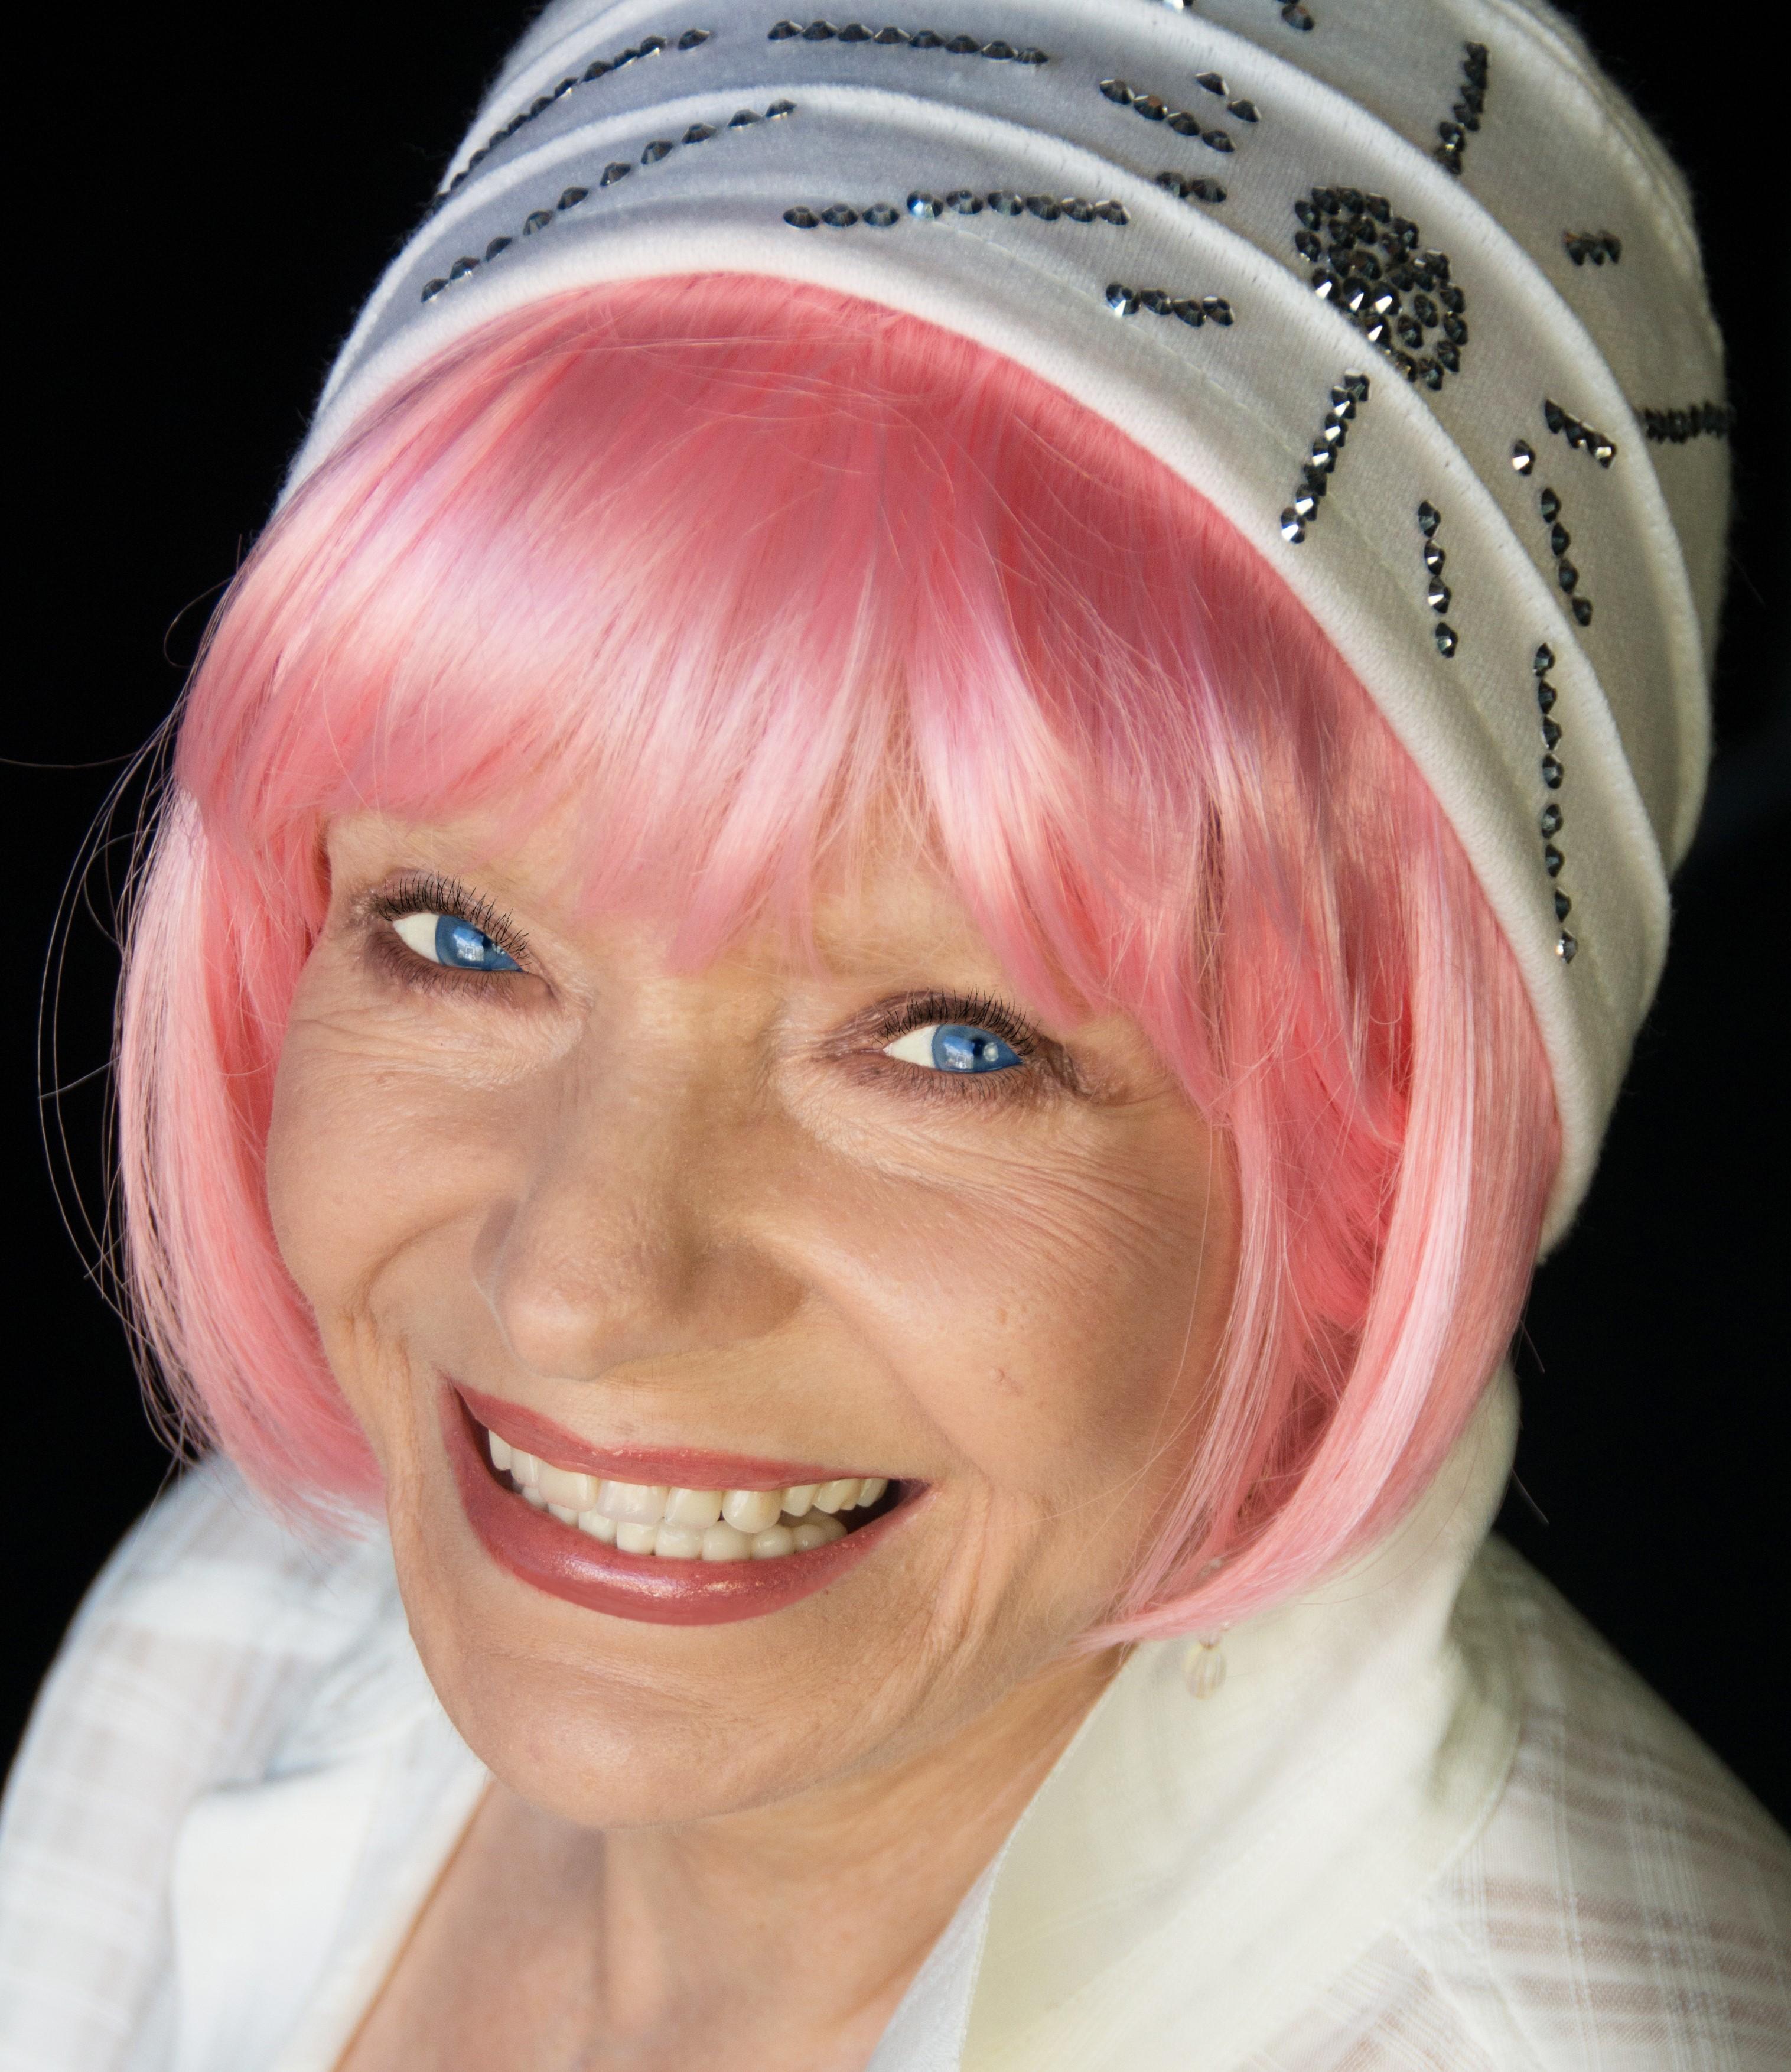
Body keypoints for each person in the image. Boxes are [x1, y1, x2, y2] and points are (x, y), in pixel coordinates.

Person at [2, 1, 1786, 2066]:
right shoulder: (218, 1648)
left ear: (1377, 1179)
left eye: (949, 1045)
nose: (575, 1286)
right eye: (459, 938)